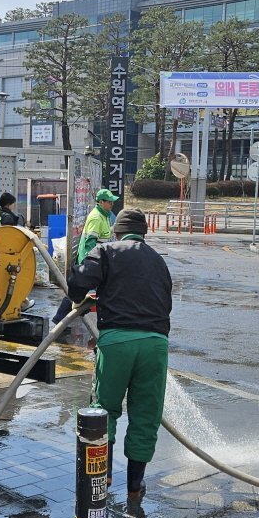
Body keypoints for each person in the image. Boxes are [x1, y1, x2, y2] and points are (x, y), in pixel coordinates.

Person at [66, 208, 172, 499]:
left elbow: (78, 281)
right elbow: (165, 302)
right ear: (144, 232)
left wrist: (81, 298)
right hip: (155, 344)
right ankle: (135, 487)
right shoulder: (159, 261)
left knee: (105, 409)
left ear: (117, 231)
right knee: (146, 414)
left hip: (117, 342)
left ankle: (104, 474)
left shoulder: (106, 251)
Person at [51, 188, 118, 325]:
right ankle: (60, 319)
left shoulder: (104, 215)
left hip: (98, 260)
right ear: (101, 202)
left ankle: (64, 318)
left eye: (112, 202)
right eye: (109, 202)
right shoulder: (96, 218)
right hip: (92, 260)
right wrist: (92, 263)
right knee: (79, 291)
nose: (112, 204)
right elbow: (90, 242)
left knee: (84, 291)